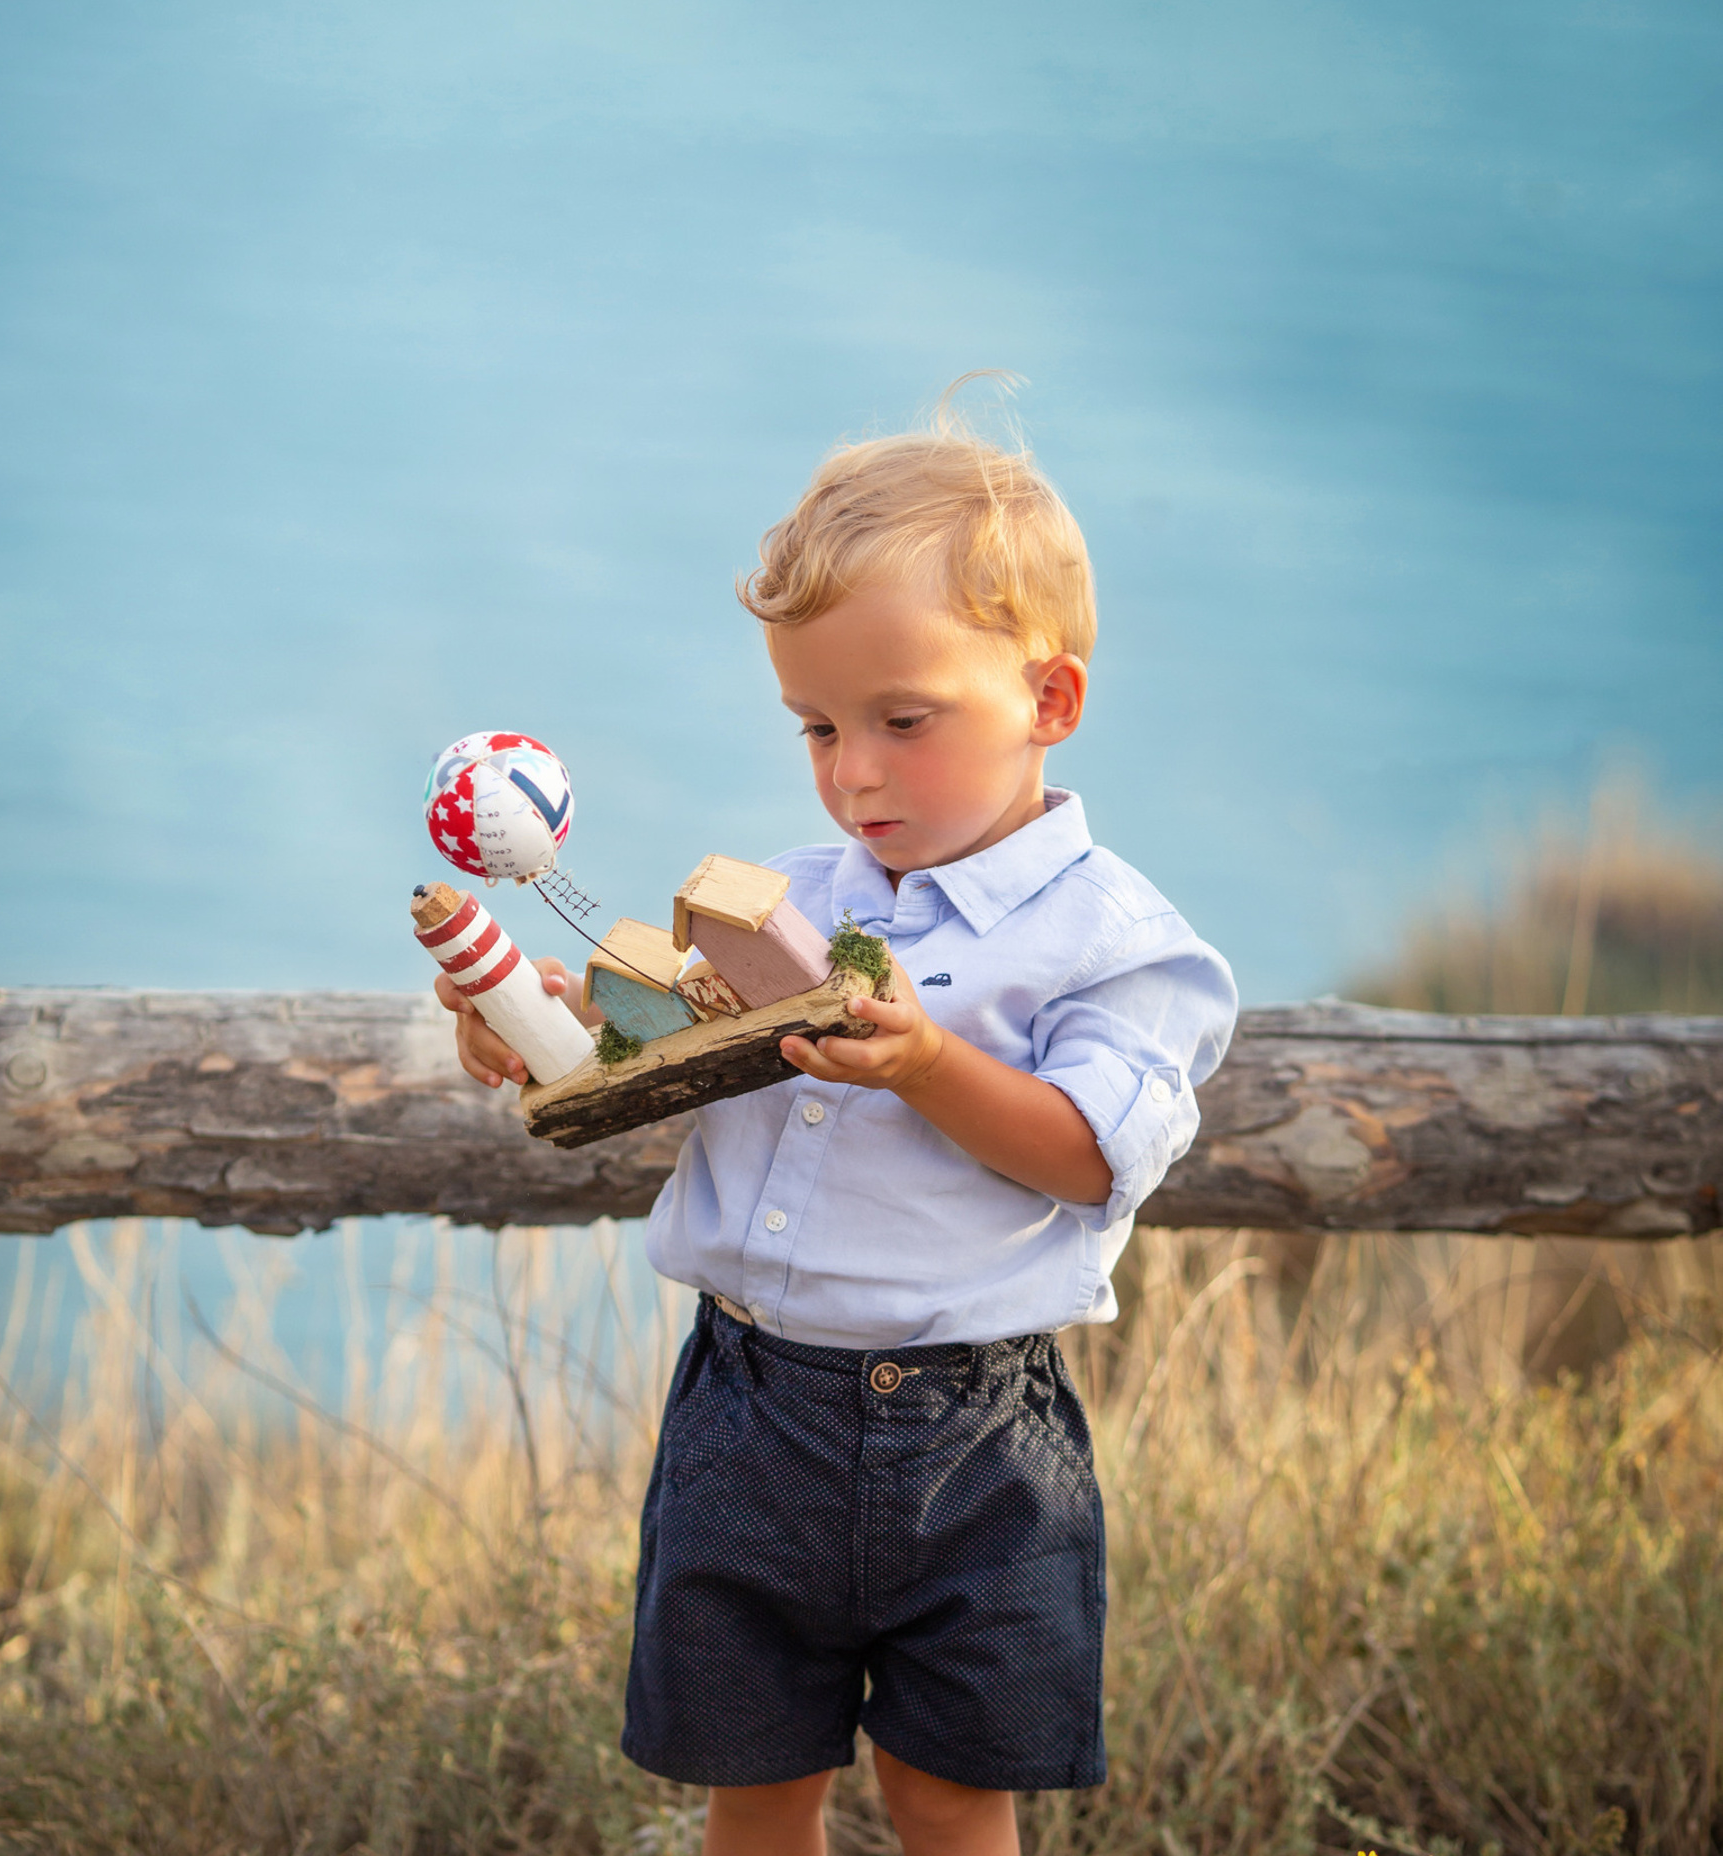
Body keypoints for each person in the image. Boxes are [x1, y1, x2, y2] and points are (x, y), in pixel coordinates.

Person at [437, 410, 1237, 1856]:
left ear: (1049, 698)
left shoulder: (1115, 944)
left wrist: (925, 1062)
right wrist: (535, 1022)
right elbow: (653, 1057)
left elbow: (1088, 1155)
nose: (851, 774)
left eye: (901, 722)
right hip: (750, 1409)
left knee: (947, 1790)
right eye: (816, 727)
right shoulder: (793, 894)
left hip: (972, 1434)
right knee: (751, 1781)